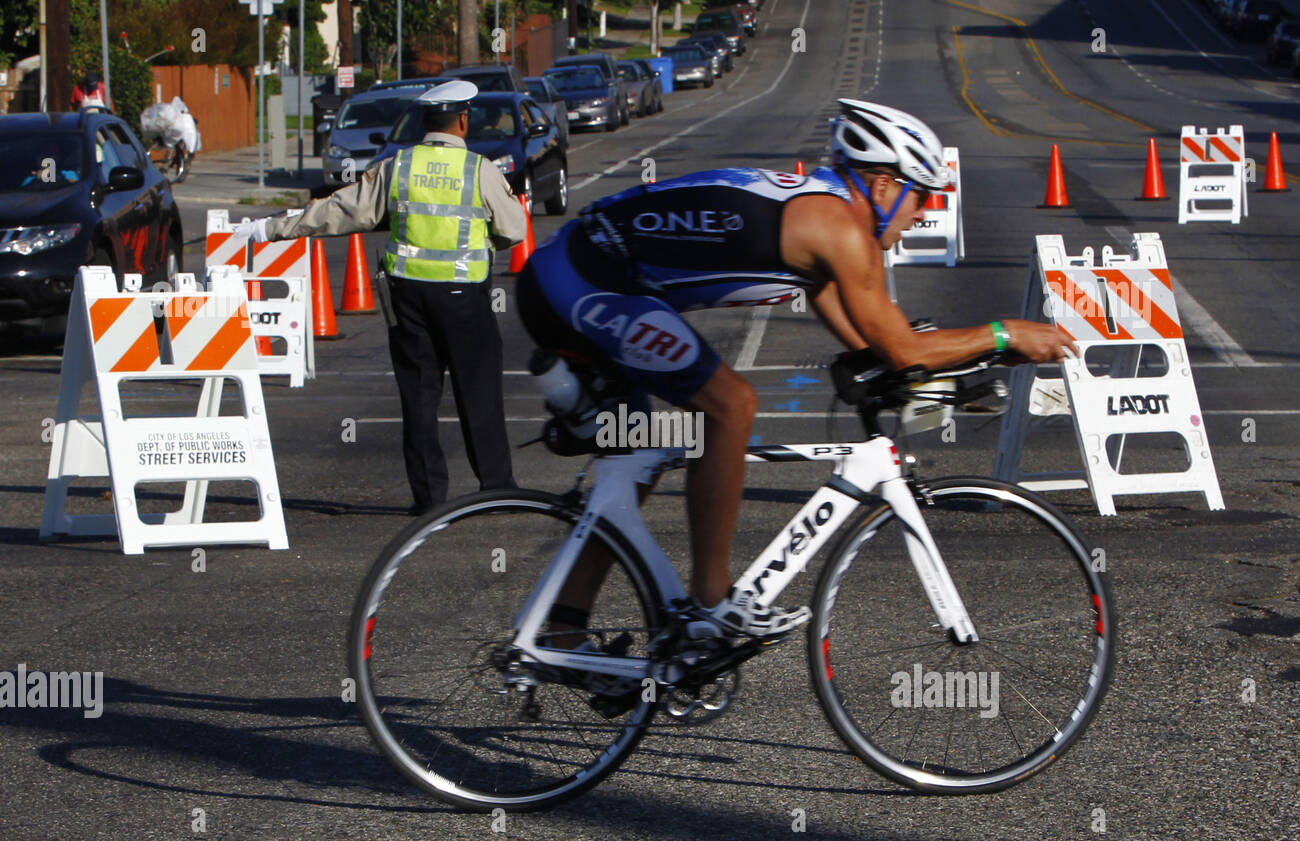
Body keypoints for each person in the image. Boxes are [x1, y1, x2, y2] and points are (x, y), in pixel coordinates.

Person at [516, 98, 1078, 644]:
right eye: (920, 198)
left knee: (639, 453)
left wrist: (964, 370)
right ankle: (713, 601)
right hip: (584, 281)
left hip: (572, 273)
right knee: (731, 405)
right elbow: (906, 350)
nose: (924, 213)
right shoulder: (839, 229)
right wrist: (1006, 333)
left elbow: (879, 353)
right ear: (883, 185)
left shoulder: (828, 217)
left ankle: (562, 630)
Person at [234, 81, 527, 514]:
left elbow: (342, 210)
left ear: (424, 123)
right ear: (462, 121)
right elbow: (515, 230)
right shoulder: (477, 169)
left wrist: (271, 228)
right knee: (479, 392)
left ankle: (428, 499)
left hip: (409, 298)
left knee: (419, 397)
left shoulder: (398, 166)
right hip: (464, 299)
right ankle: (496, 487)